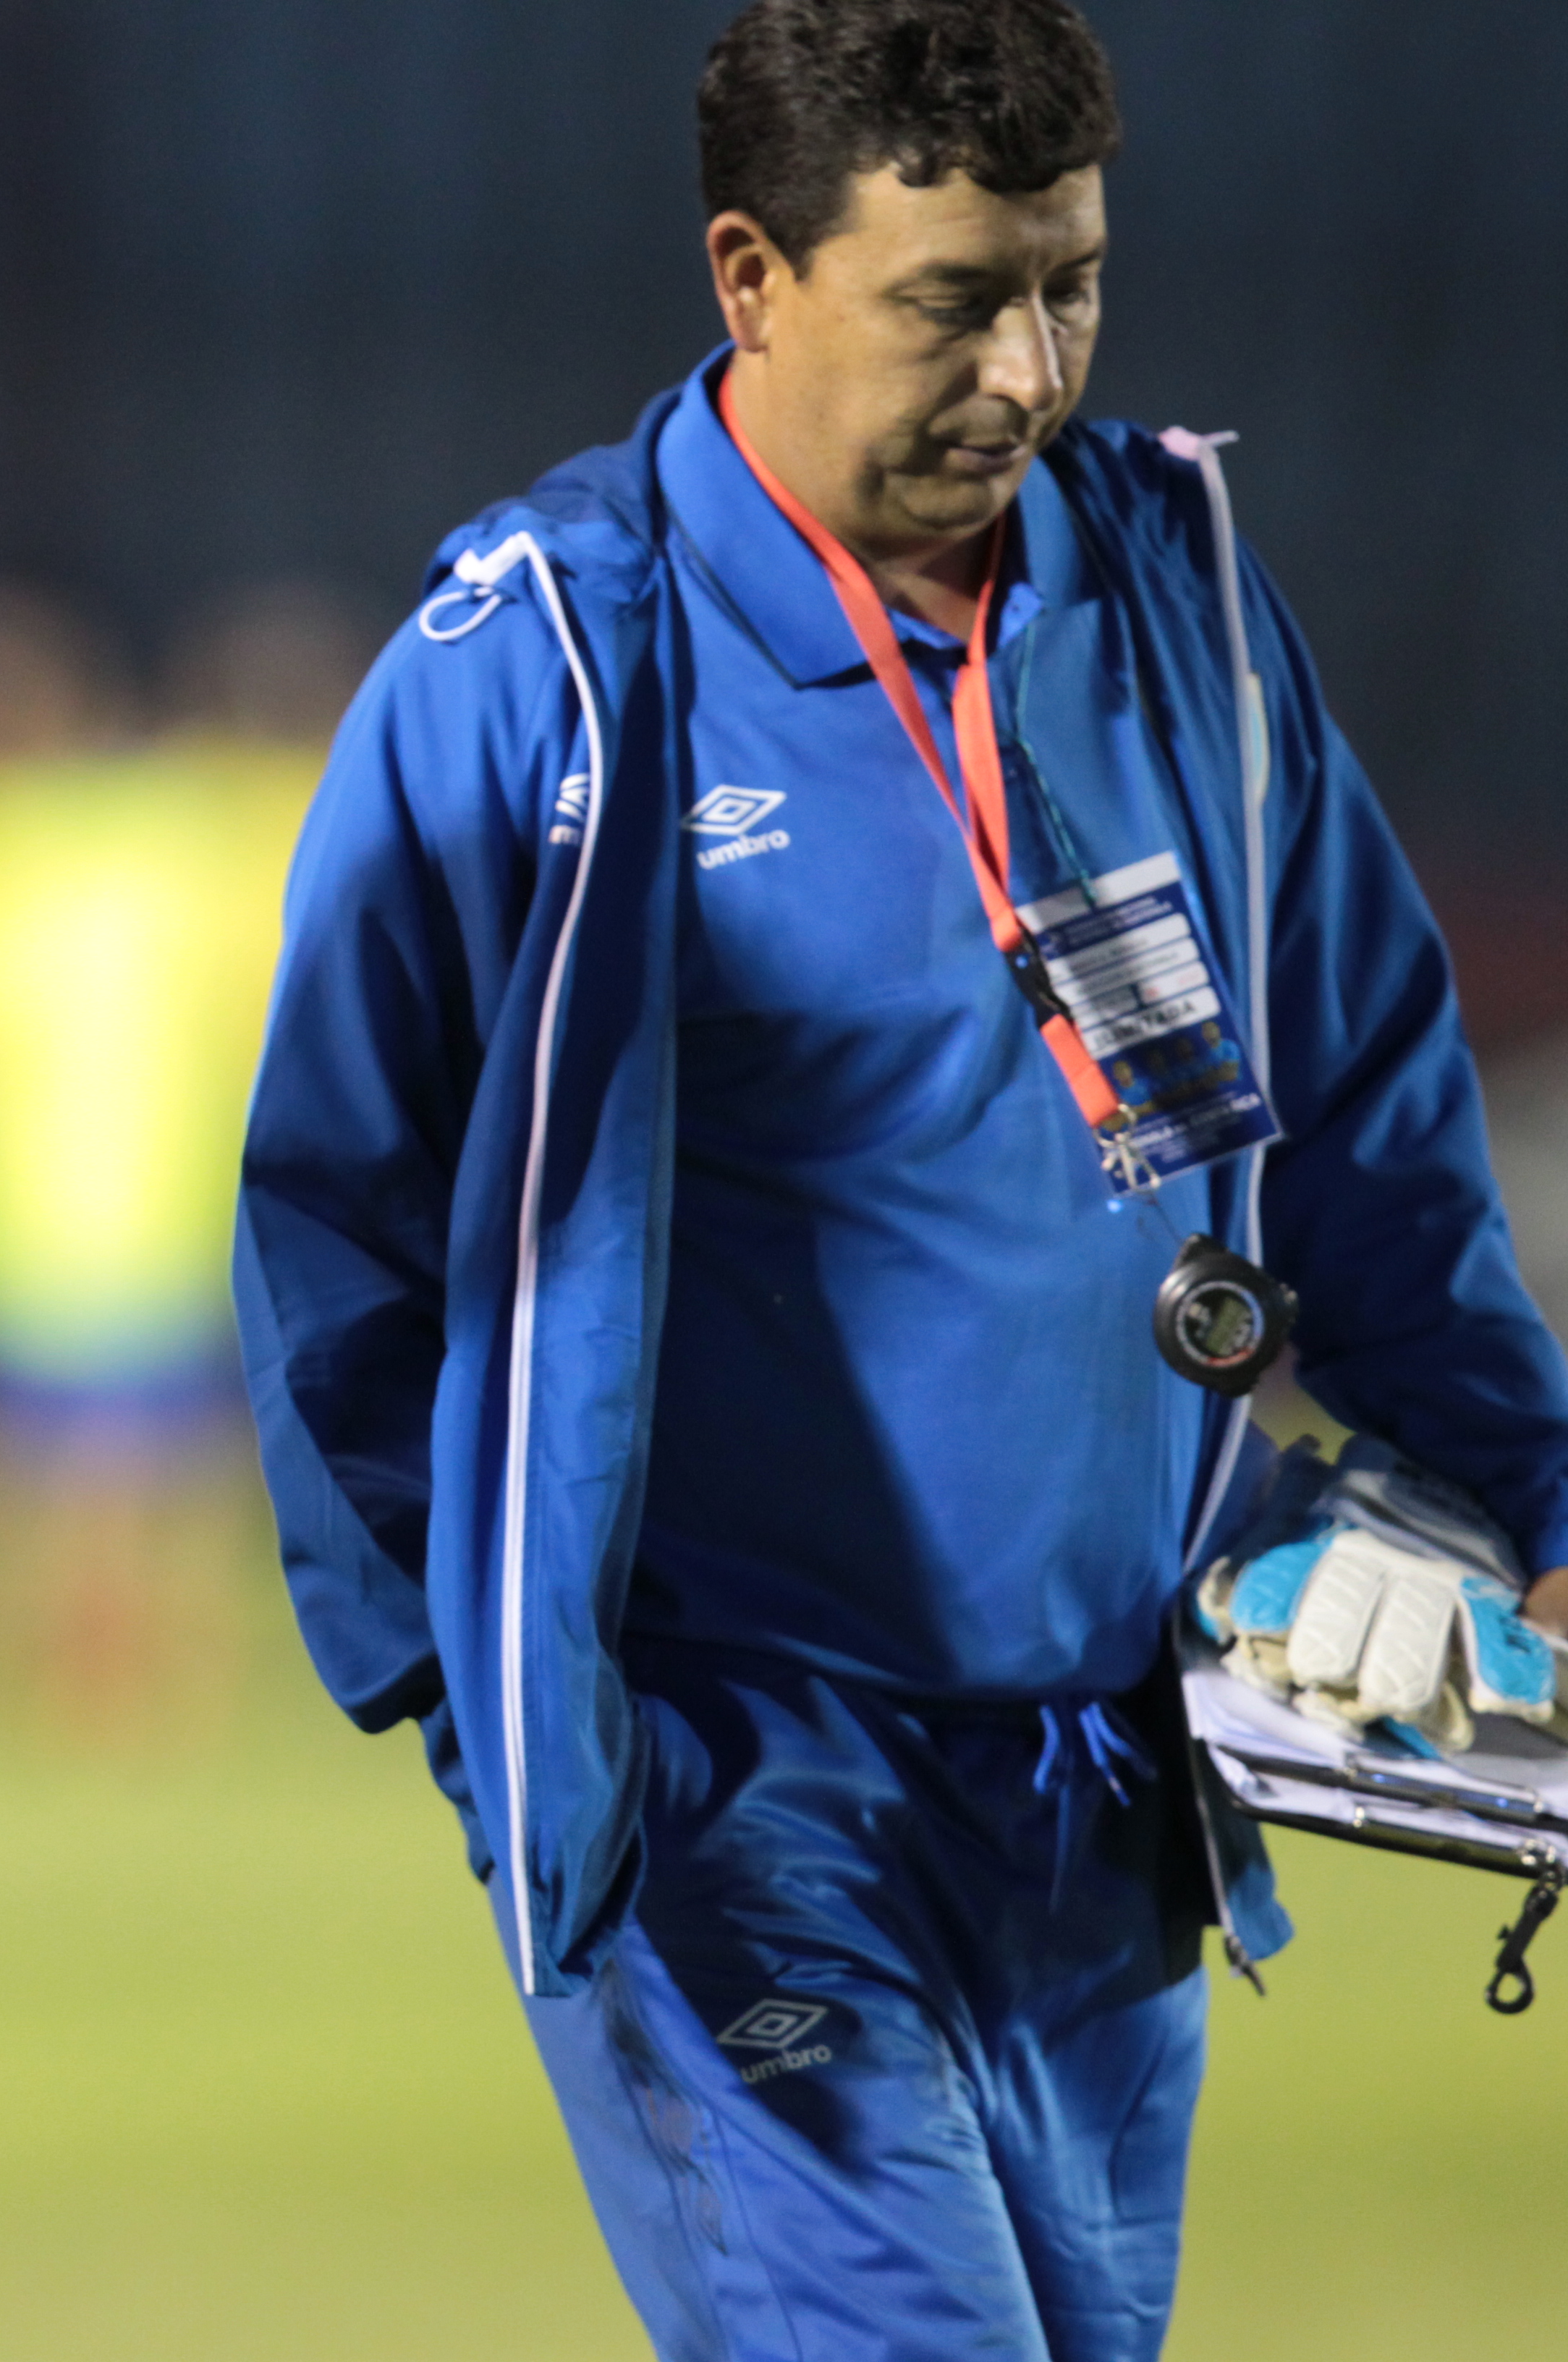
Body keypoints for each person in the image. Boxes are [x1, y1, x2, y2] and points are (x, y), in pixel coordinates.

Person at [236, 4, 1568, 2355]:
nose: (1025, 365)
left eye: (1069, 283)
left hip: (1099, 1782)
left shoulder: (1170, 591)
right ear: (747, 274)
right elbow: (329, 1218)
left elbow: (1357, 1120)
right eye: (952, 297)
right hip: (734, 1786)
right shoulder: (540, 660)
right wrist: (495, 1708)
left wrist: (1529, 1497)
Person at [0, 584, 310, 1734]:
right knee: (163, 1444)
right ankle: (162, 1662)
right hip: (162, 1193)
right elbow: (277, 995)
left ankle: (32, 1658)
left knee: (19, 1444)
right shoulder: (200, 829)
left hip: (15, 1201)